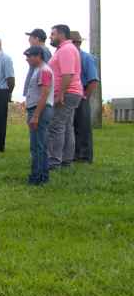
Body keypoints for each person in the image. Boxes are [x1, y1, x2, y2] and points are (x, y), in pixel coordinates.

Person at [47, 24, 83, 171]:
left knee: (56, 127)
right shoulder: (65, 49)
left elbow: (68, 74)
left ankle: (54, 163)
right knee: (67, 127)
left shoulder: (66, 50)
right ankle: (66, 162)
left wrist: (60, 94)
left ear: (61, 35)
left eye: (53, 34)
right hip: (70, 93)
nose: (50, 36)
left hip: (67, 93)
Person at [23, 46, 55, 186]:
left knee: (37, 148)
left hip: (40, 111)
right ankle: (43, 177)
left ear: (38, 56)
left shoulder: (43, 71)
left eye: (30, 56)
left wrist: (36, 115)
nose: (27, 59)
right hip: (38, 111)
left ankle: (36, 178)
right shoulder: (39, 71)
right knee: (41, 148)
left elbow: (44, 94)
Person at [70, 31, 100, 164]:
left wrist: (85, 96)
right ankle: (75, 155)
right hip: (71, 95)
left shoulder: (87, 58)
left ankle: (86, 157)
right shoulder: (70, 58)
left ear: (77, 43)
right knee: (72, 126)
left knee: (84, 126)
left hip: (82, 95)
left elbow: (94, 80)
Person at [22, 28, 52, 94]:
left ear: (36, 39)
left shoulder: (43, 52)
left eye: (30, 38)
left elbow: (44, 73)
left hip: (37, 93)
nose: (28, 40)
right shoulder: (42, 51)